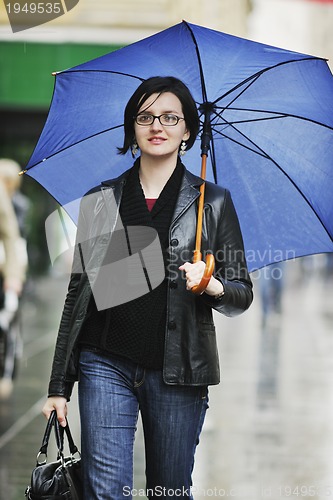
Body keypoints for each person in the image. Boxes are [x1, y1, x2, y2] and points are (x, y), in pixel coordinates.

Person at [42, 76, 253, 499]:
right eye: (145, 116)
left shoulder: (212, 202)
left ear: (188, 131)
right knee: (105, 492)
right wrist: (57, 387)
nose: (157, 125)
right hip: (104, 361)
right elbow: (78, 296)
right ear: (133, 128)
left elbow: (241, 294)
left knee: (168, 491)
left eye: (170, 117)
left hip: (179, 372)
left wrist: (211, 285)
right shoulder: (100, 199)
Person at [0, 160, 26, 398]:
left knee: (8, 322)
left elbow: (13, 237)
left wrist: (14, 276)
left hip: (7, 270)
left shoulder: (15, 203)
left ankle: (7, 372)